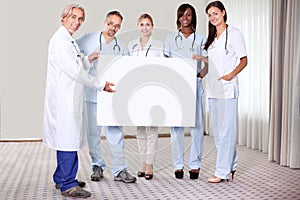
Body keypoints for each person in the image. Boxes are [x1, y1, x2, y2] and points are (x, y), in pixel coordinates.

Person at [43, 4, 115, 198]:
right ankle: (68, 184)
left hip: (69, 98)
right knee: (68, 140)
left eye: (80, 19)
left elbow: (76, 63)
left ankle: (61, 177)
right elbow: (75, 72)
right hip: (64, 100)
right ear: (63, 18)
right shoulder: (60, 41)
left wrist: (89, 58)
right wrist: (101, 86)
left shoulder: (68, 40)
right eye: (73, 17)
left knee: (67, 138)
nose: (77, 22)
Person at [76, 10, 137, 183]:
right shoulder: (89, 38)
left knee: (115, 132)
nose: (113, 28)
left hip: (111, 96)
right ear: (105, 22)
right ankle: (97, 166)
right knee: (93, 134)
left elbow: (127, 71)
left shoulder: (122, 47)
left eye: (117, 26)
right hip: (91, 94)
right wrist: (87, 58)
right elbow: (71, 50)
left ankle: (119, 169)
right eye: (111, 24)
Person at [193, 0, 248, 183]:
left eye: (215, 13)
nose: (212, 17)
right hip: (213, 90)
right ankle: (231, 166)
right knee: (217, 132)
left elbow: (243, 60)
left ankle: (222, 172)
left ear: (223, 12)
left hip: (227, 89)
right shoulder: (212, 37)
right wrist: (200, 60)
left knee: (226, 132)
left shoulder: (234, 34)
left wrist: (230, 75)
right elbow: (213, 62)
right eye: (209, 15)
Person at [164, 3, 207, 179]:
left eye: (188, 15)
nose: (185, 18)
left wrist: (199, 76)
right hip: (177, 86)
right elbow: (166, 63)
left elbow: (208, 62)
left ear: (193, 17)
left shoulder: (201, 38)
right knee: (177, 127)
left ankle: (195, 165)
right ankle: (178, 165)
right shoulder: (170, 38)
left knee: (197, 126)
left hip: (194, 86)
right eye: (182, 15)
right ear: (178, 17)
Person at [127, 13, 164, 180]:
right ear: (138, 26)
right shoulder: (131, 45)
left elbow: (163, 67)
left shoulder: (159, 45)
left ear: (152, 26)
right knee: (140, 129)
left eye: (148, 24)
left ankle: (150, 165)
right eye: (142, 24)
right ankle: (143, 162)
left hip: (153, 90)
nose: (145, 27)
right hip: (136, 91)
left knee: (152, 128)